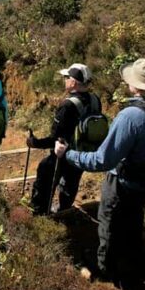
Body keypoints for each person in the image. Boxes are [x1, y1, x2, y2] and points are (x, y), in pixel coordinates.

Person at [55, 58, 145, 287]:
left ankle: (106, 271)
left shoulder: (131, 117)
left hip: (126, 180)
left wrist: (67, 154)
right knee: (133, 217)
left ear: (138, 86)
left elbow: (102, 160)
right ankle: (133, 260)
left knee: (109, 221)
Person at [26, 63, 101, 215]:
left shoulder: (68, 105)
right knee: (71, 182)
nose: (64, 80)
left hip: (63, 154)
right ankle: (64, 209)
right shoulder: (95, 100)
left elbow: (55, 138)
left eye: (66, 77)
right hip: (82, 152)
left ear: (73, 82)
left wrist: (35, 143)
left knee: (45, 174)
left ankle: (40, 213)